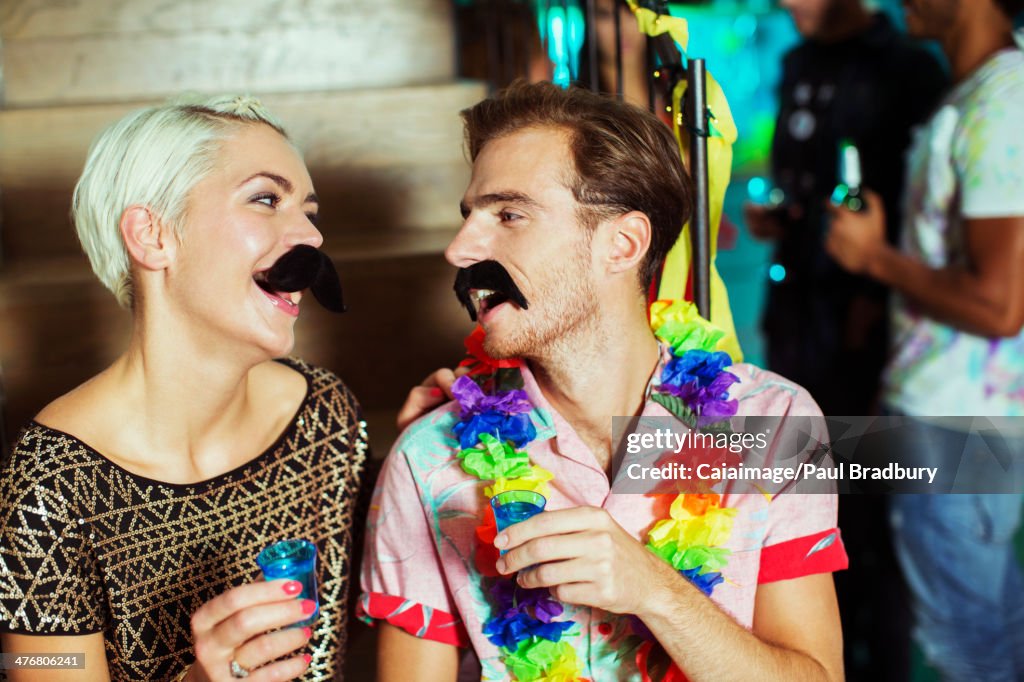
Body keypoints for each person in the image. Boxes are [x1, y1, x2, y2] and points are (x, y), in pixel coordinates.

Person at [361, 81, 848, 681]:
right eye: (469, 217)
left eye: (509, 214)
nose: (461, 250)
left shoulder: (775, 421)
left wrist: (657, 593)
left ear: (622, 244)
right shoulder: (428, 458)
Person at [0, 95, 369, 681]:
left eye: (309, 211)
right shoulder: (51, 484)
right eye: (266, 199)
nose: (310, 238)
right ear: (153, 236)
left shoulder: (326, 412)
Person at [827, 1, 1024, 679]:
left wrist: (872, 257)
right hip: (947, 419)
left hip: (960, 429)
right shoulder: (979, 94)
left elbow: (1000, 307)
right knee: (988, 627)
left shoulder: (1004, 104)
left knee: (969, 650)